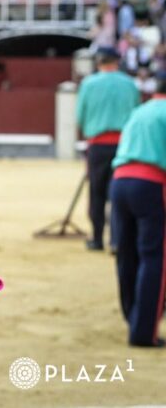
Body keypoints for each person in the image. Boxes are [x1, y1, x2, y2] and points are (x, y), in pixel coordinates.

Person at [109, 78, 166, 348]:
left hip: (120, 183)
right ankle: (144, 332)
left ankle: (133, 317)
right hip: (151, 184)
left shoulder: (139, 111)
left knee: (127, 254)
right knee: (154, 256)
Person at [76, 49, 140, 251]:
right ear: (117, 62)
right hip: (124, 146)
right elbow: (136, 114)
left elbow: (80, 117)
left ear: (98, 62)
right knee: (117, 194)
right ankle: (116, 240)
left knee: (97, 193)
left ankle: (97, 239)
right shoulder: (129, 84)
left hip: (97, 145)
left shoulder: (89, 84)